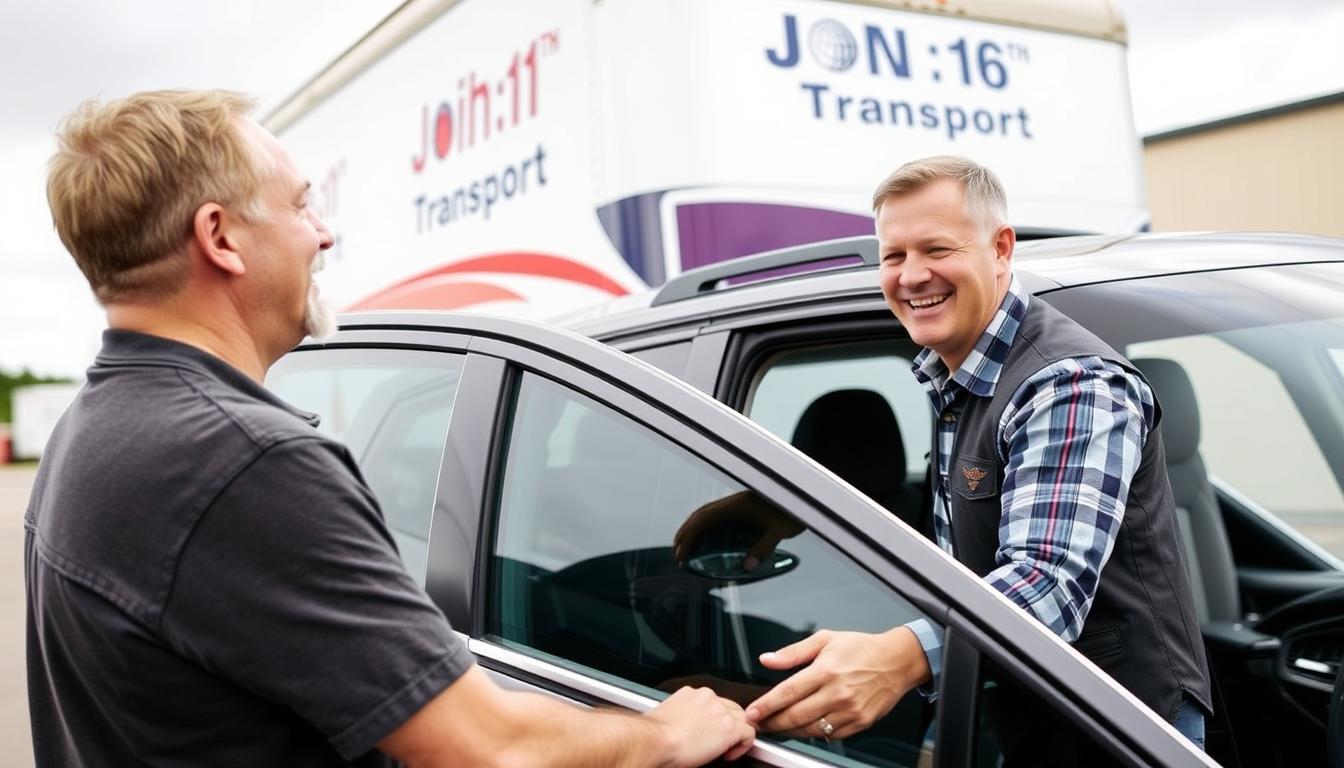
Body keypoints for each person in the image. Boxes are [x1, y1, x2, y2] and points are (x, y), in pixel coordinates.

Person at [25, 89, 755, 767]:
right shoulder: (243, 463)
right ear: (220, 237)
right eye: (302, 205)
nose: (323, 234)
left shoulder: (90, 429)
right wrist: (665, 732)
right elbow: (486, 748)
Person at [738, 156, 1213, 759]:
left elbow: (1047, 583)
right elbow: (962, 562)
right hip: (1033, 721)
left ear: (1002, 248)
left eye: (937, 249)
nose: (911, 276)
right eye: (893, 256)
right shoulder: (957, 379)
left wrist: (899, 659)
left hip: (1123, 734)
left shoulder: (1068, 384)